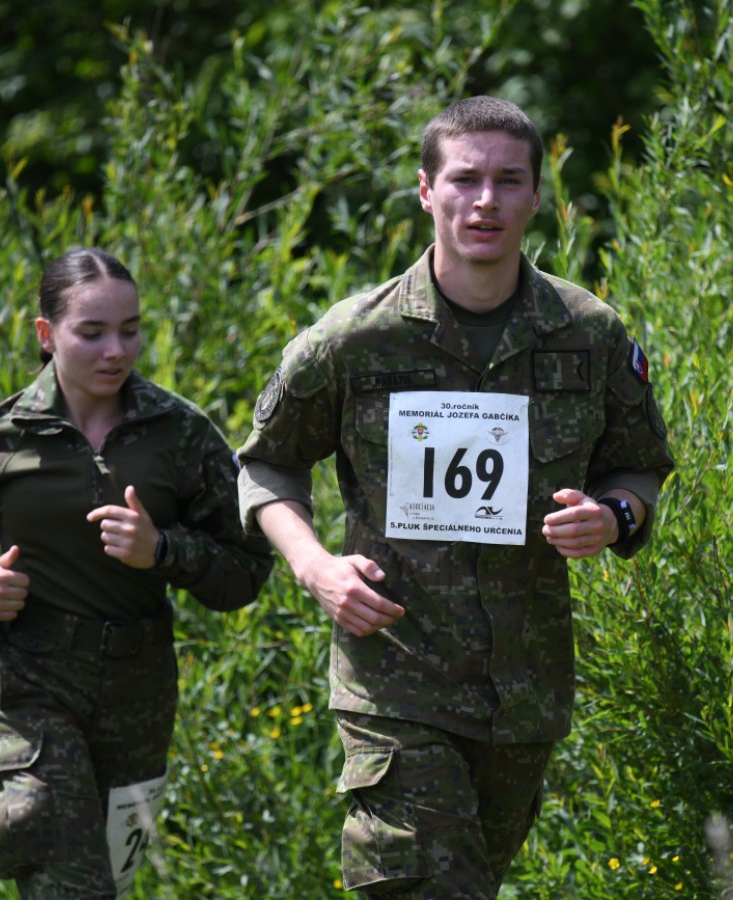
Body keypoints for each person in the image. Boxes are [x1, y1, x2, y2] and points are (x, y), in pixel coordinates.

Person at [236, 96, 675, 898]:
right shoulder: (353, 339)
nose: (485, 202)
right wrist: (315, 567)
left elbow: (639, 468)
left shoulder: (588, 333)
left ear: (536, 196)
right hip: (394, 680)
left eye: (508, 181)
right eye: (465, 179)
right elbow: (266, 467)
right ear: (425, 190)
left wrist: (611, 518)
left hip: (523, 691)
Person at [0, 248, 273, 898]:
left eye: (130, 330)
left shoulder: (180, 434)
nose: (115, 351)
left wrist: (162, 551)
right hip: (30, 686)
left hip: (139, 694)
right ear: (46, 334)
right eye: (91, 332)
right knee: (71, 883)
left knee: (108, 882)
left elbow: (247, 571)